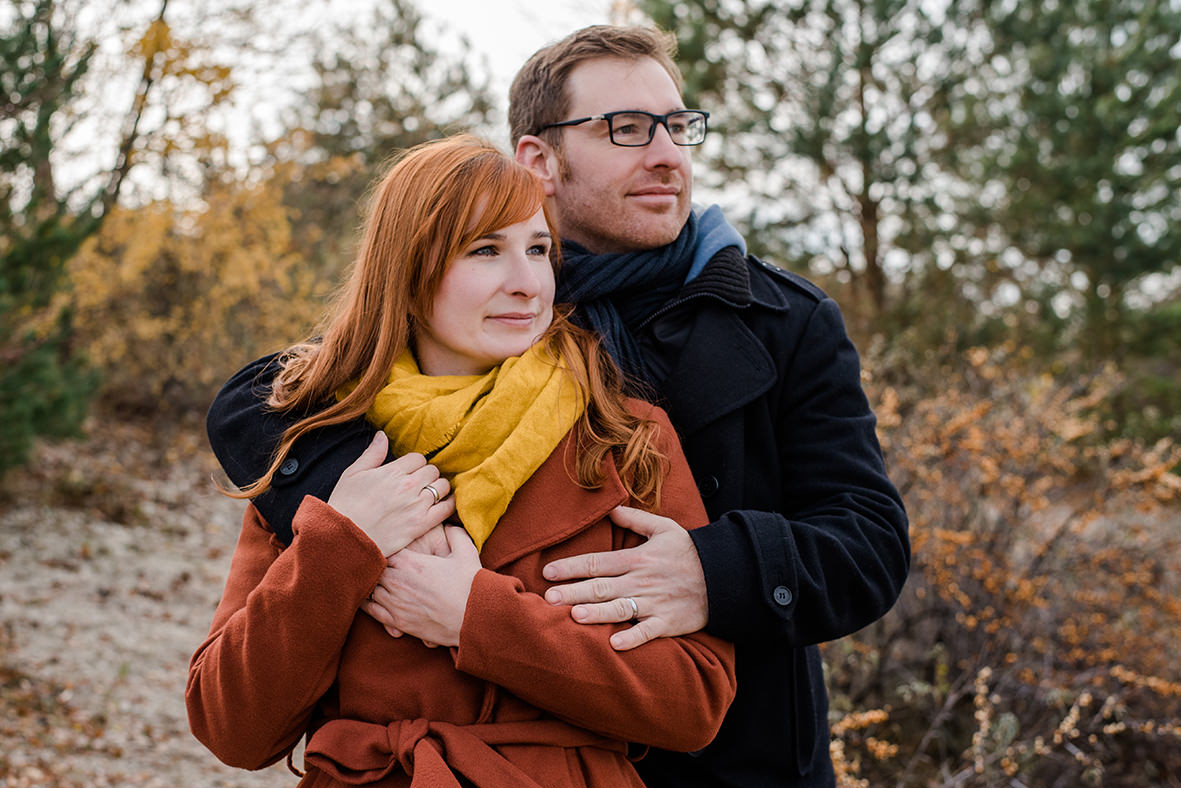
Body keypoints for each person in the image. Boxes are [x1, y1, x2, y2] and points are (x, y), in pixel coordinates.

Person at [205, 25, 909, 788]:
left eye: (679, 127)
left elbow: (867, 541)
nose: (668, 154)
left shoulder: (773, 327)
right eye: (628, 129)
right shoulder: (419, 371)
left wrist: (712, 569)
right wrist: (357, 528)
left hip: (733, 761)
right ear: (537, 160)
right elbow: (285, 389)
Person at [186, 135, 737, 788]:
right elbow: (230, 727)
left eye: (538, 250)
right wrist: (340, 547)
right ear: (408, 271)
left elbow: (693, 702)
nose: (527, 284)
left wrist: (476, 618)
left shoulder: (626, 437)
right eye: (485, 251)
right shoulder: (318, 445)